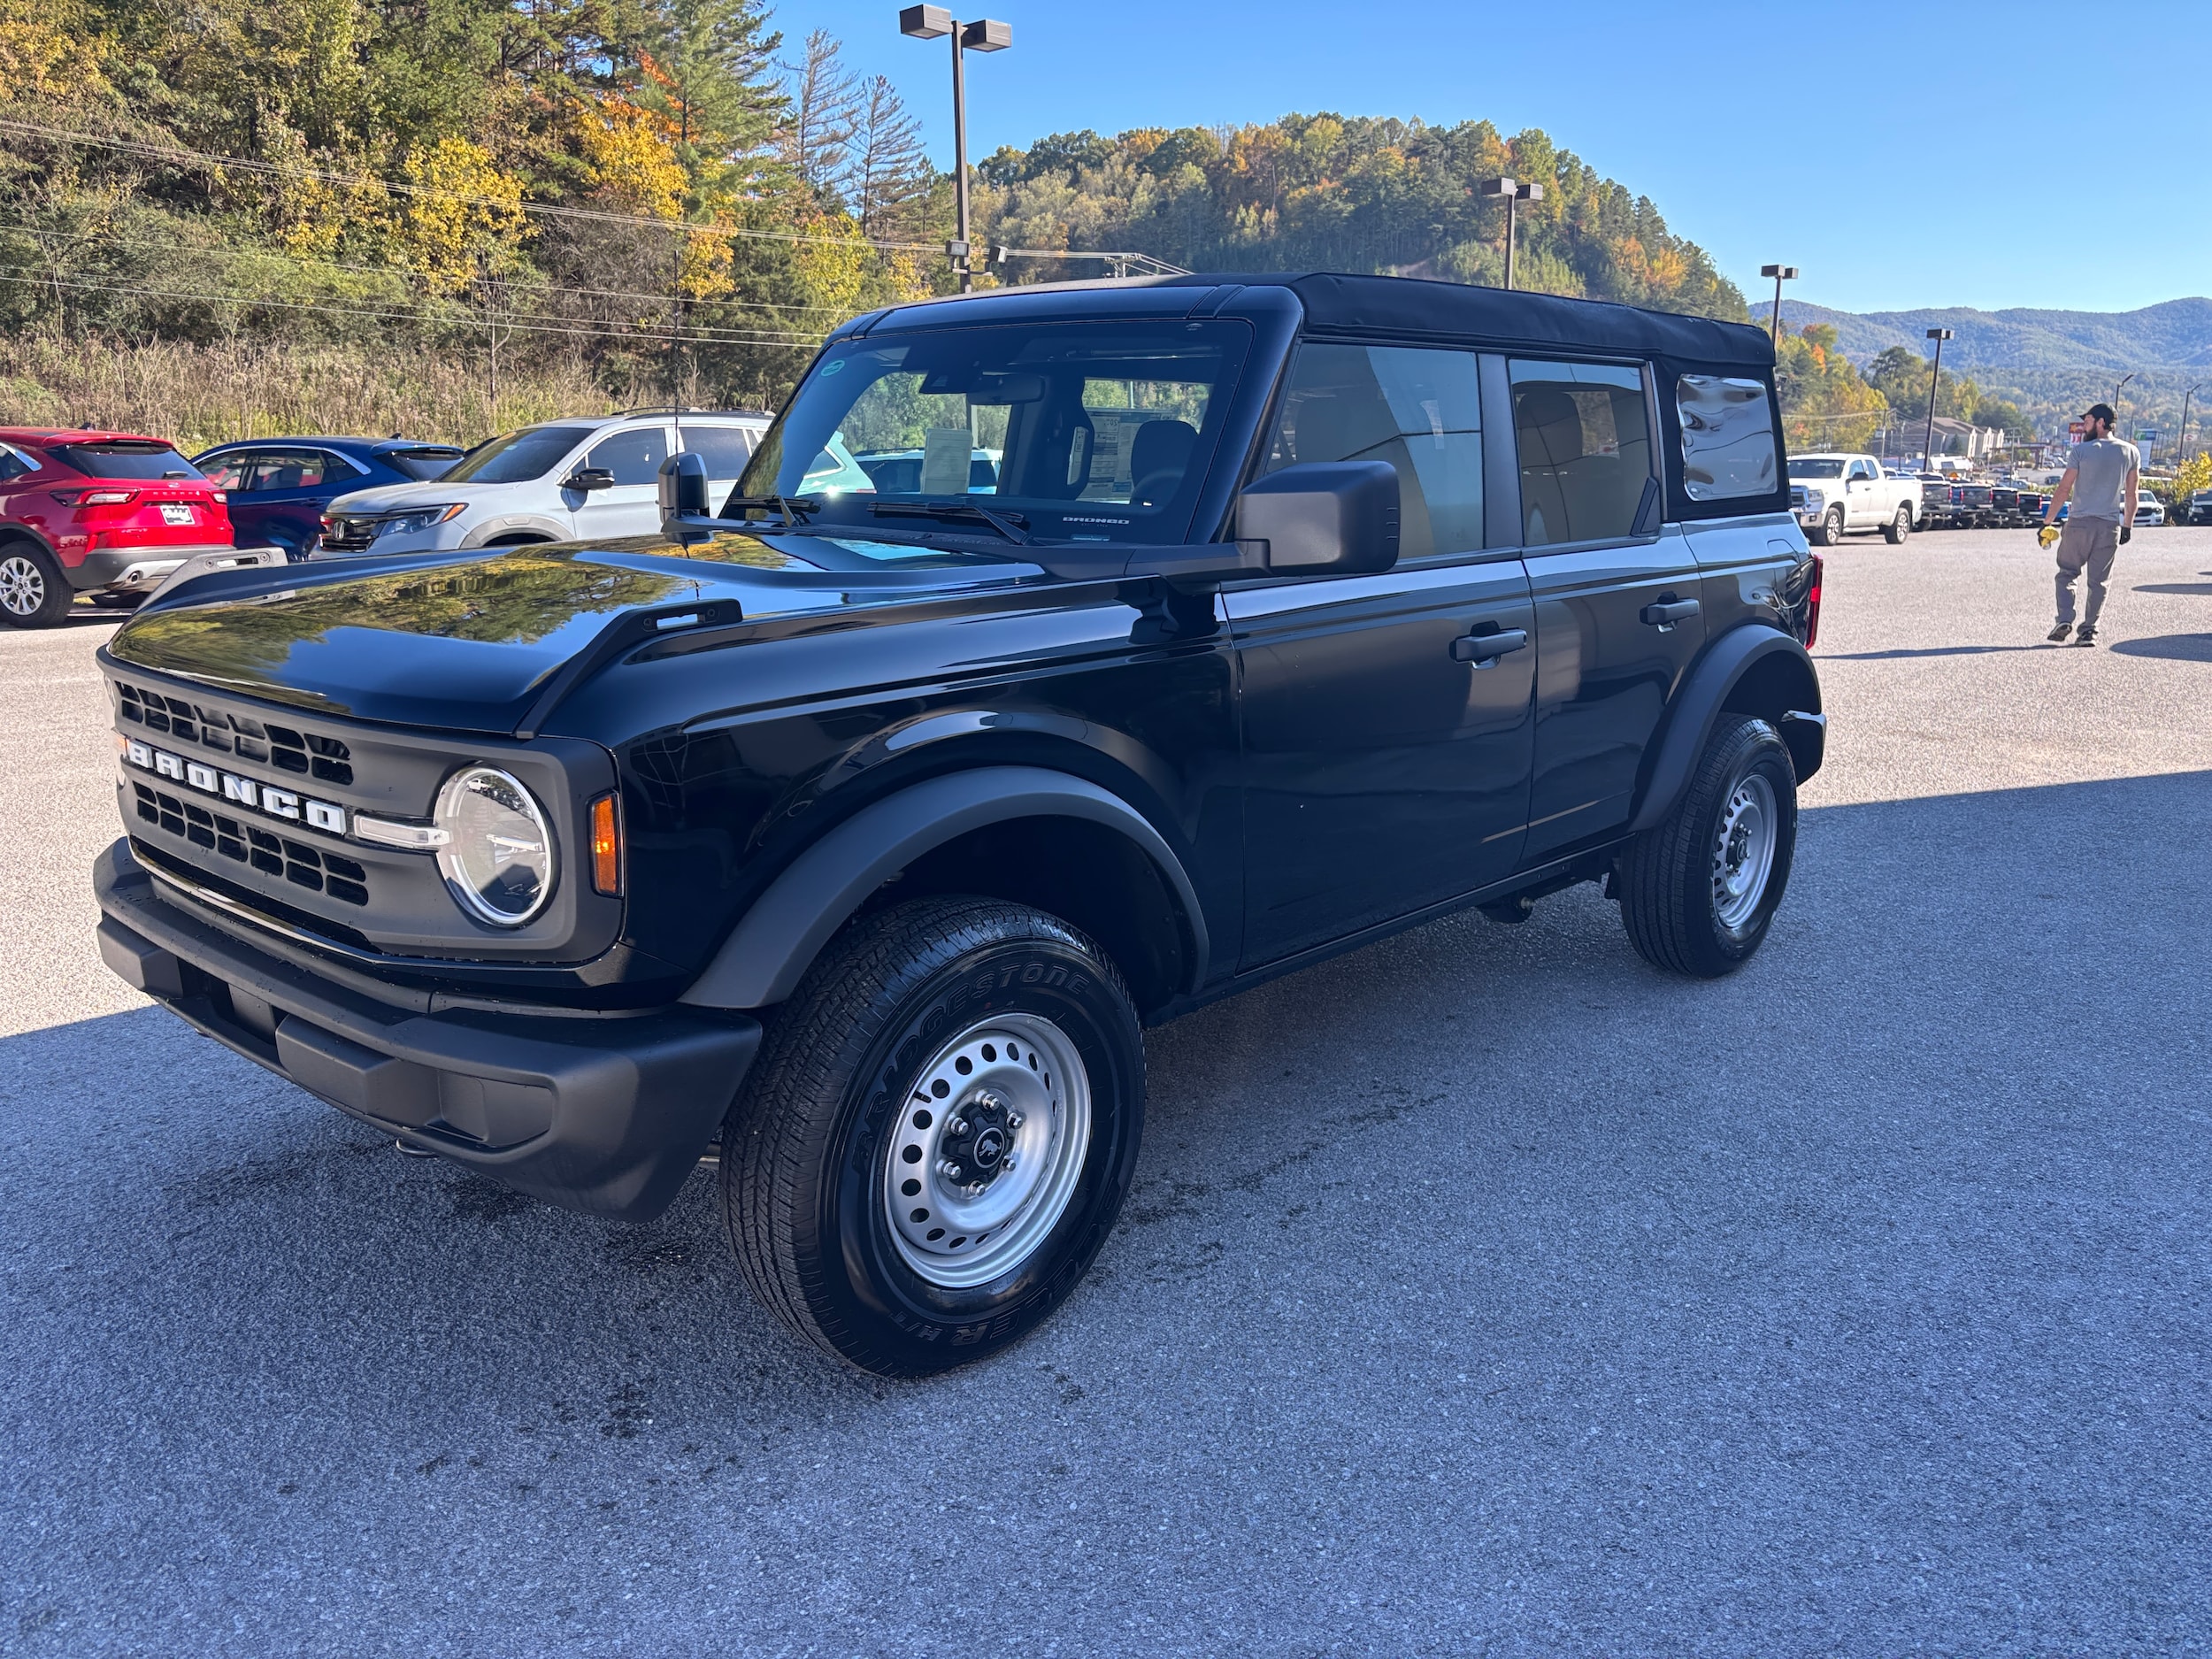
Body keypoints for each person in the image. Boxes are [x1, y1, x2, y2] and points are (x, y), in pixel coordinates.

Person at [2040, 403, 2139, 646]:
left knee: (2067, 573)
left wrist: (2047, 523)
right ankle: (2089, 631)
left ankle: (2064, 619)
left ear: (2101, 423)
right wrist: (2127, 526)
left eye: (2088, 420)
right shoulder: (2130, 452)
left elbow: (2064, 489)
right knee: (2099, 581)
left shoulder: (2081, 451)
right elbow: (2131, 494)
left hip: (2079, 524)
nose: (2085, 425)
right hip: (2109, 526)